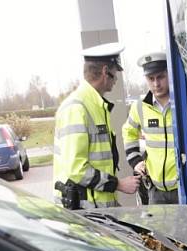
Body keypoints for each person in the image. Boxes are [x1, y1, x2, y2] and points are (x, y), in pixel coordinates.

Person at [123, 51, 187, 205]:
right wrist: (135, 161)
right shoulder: (139, 107)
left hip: (186, 188)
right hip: (155, 191)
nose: (156, 84)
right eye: (151, 79)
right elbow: (128, 132)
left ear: (169, 74)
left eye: (160, 77)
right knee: (158, 230)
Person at [53, 42, 138, 209]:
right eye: (115, 73)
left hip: (96, 208)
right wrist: (118, 184)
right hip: (84, 212)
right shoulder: (77, 108)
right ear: (106, 72)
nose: (116, 80)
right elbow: (76, 169)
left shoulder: (96, 105)